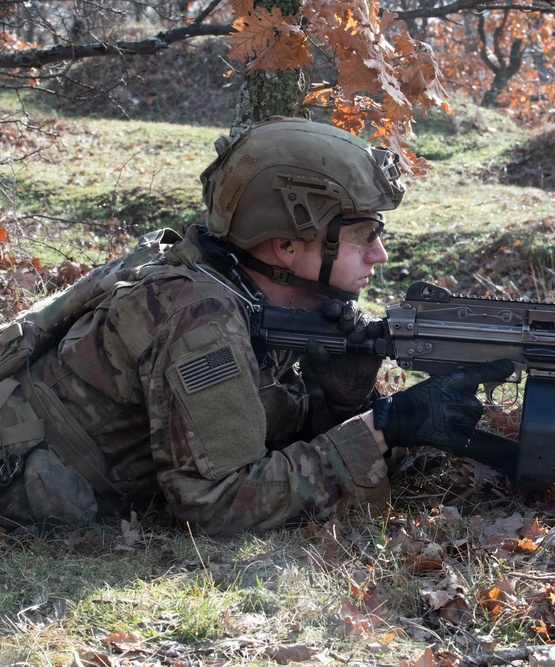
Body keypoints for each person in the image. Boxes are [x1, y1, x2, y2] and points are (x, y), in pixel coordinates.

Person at [0, 117, 512, 535]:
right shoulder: (198, 318)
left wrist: (344, 403)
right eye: (361, 234)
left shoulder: (245, 286)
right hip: (27, 484)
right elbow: (219, 503)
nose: (379, 254)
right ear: (285, 246)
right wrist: (382, 428)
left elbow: (259, 427)